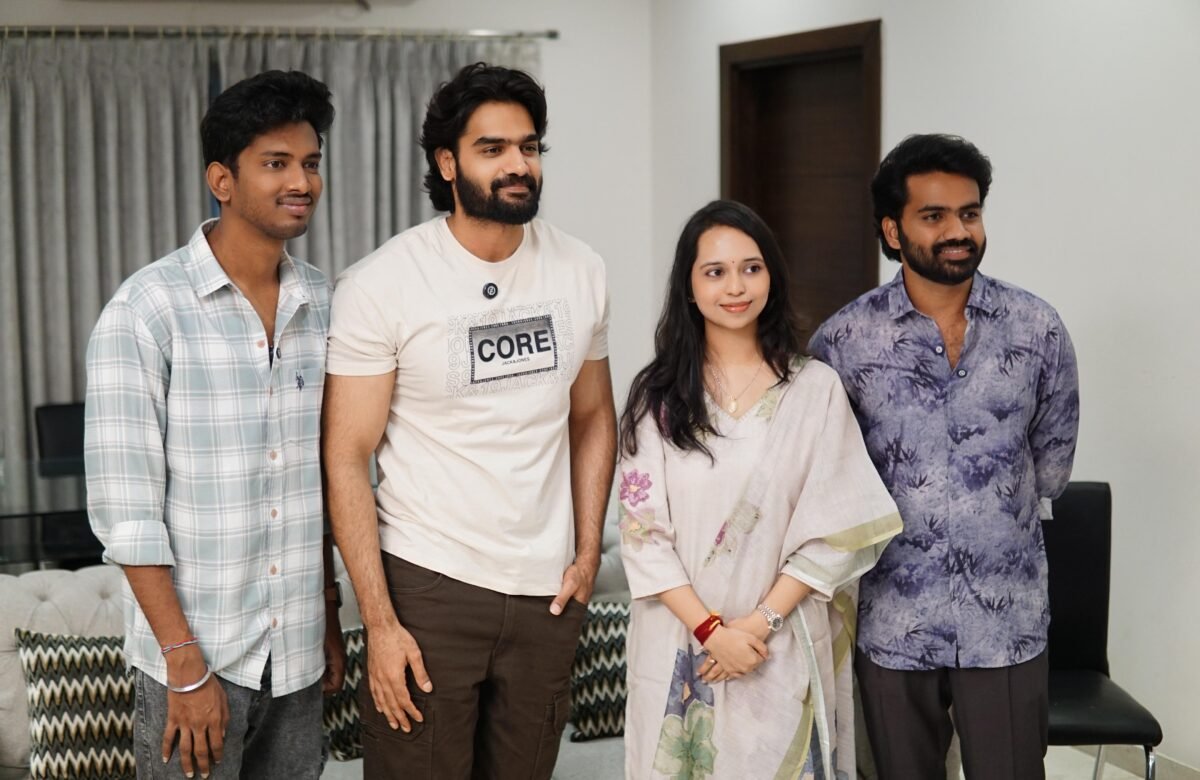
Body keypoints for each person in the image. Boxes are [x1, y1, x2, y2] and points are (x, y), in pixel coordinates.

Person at [321, 62, 616, 779]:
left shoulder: (581, 270)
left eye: (529, 146)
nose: (518, 164)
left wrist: (586, 553)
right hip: (429, 585)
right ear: (447, 163)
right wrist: (379, 622)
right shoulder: (381, 284)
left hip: (548, 593)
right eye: (493, 148)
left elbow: (593, 416)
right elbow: (345, 455)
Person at [85, 70, 345, 780]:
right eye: (276, 163)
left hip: (296, 658)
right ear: (221, 180)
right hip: (197, 663)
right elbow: (129, 516)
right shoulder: (146, 311)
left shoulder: (325, 304)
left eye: (311, 162)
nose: (302, 182)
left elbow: (321, 485)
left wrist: (327, 616)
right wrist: (184, 666)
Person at [809, 134, 1081, 780]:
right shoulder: (843, 342)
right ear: (892, 230)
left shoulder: (1036, 329)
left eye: (970, 212)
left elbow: (1052, 466)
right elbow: (824, 476)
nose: (958, 231)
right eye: (934, 216)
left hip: (1005, 620)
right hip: (893, 621)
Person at [617, 200, 902, 779]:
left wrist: (756, 625)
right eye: (715, 272)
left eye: (751, 268)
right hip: (681, 644)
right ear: (689, 286)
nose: (736, 287)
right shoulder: (659, 398)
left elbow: (837, 530)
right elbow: (643, 535)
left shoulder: (815, 389)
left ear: (772, 276)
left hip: (779, 643)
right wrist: (711, 632)